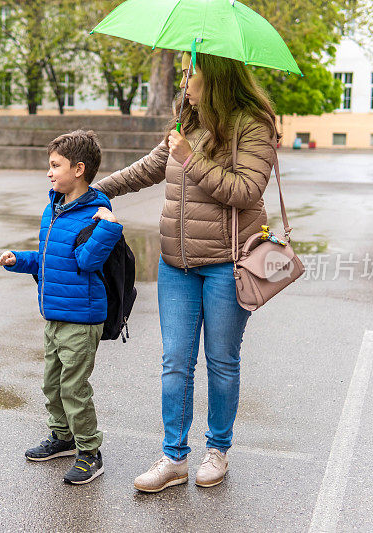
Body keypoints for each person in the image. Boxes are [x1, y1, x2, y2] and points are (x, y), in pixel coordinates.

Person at [92, 52, 279, 492]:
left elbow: (247, 191)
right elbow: (149, 168)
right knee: (176, 361)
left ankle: (218, 450)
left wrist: (192, 158)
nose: (183, 78)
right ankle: (174, 457)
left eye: (188, 70)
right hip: (177, 262)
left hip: (228, 264)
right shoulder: (186, 119)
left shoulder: (254, 124)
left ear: (212, 74)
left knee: (221, 360)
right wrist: (93, 190)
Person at [0, 130, 123, 485]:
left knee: (73, 388)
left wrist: (107, 230)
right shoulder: (53, 208)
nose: (49, 172)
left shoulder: (96, 215)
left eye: (55, 165)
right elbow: (49, 260)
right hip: (54, 314)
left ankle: (90, 452)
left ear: (79, 169)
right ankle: (63, 437)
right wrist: (18, 260)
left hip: (81, 319)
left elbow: (86, 262)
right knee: (52, 385)